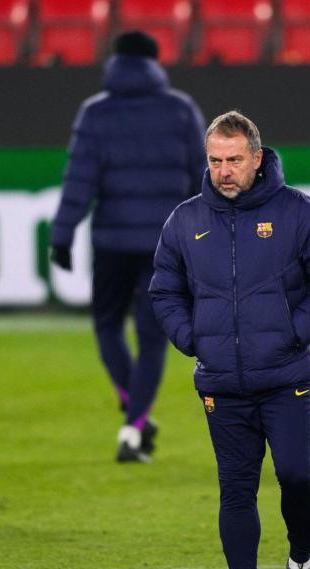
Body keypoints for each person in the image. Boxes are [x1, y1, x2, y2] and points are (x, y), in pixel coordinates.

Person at [149, 112, 310, 569]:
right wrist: (191, 338)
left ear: (257, 158)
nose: (224, 171)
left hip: (286, 379)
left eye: (234, 160)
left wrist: (291, 333)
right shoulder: (185, 220)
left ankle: (300, 562)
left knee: (296, 477)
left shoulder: (300, 212)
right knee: (235, 488)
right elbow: (164, 289)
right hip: (221, 384)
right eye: (216, 160)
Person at [49, 31, 206, 463]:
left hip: (113, 241)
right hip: (166, 243)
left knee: (107, 324)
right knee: (153, 337)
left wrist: (62, 235)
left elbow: (79, 180)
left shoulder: (95, 113)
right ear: (156, 62)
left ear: (114, 61)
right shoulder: (180, 109)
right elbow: (201, 178)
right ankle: (134, 426)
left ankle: (132, 408)